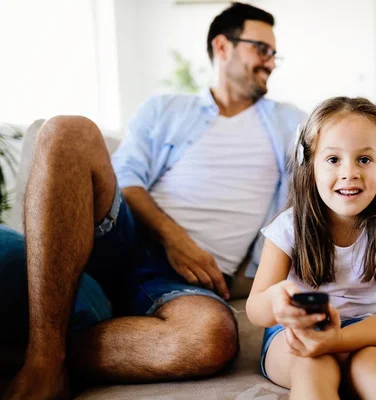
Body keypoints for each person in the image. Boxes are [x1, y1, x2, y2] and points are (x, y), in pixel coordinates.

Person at [0, 2, 305, 399]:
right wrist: (174, 239)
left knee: (208, 338)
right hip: (122, 238)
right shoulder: (166, 109)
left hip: (184, 282)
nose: (270, 63)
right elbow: (127, 180)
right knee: (67, 131)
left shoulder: (289, 122)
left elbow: (334, 158)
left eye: (273, 53)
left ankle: (31, 349)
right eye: (261, 49)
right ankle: (44, 360)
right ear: (223, 46)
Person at [246, 97, 376, 400]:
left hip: (364, 336)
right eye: (333, 159)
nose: (349, 172)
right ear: (310, 165)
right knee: (312, 367)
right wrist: (276, 300)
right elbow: (255, 310)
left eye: (364, 159)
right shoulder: (288, 228)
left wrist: (339, 339)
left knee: (374, 368)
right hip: (297, 336)